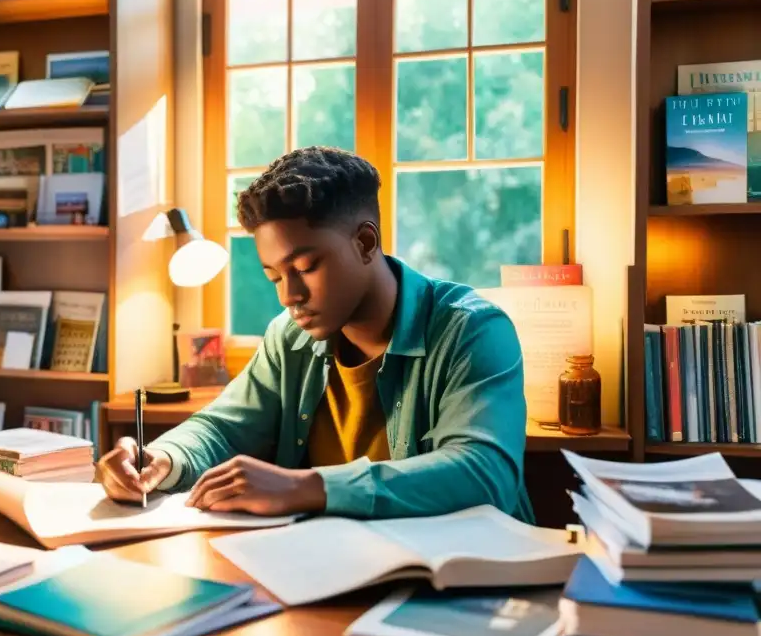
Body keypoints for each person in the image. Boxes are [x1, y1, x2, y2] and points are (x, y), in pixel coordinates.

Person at [98, 146, 533, 521]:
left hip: (468, 587)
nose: (290, 295)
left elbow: (483, 472)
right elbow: (222, 428)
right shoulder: (289, 338)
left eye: (305, 268)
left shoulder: (472, 330)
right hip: (336, 574)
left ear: (365, 243)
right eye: (274, 277)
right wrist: (163, 459)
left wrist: (306, 488)